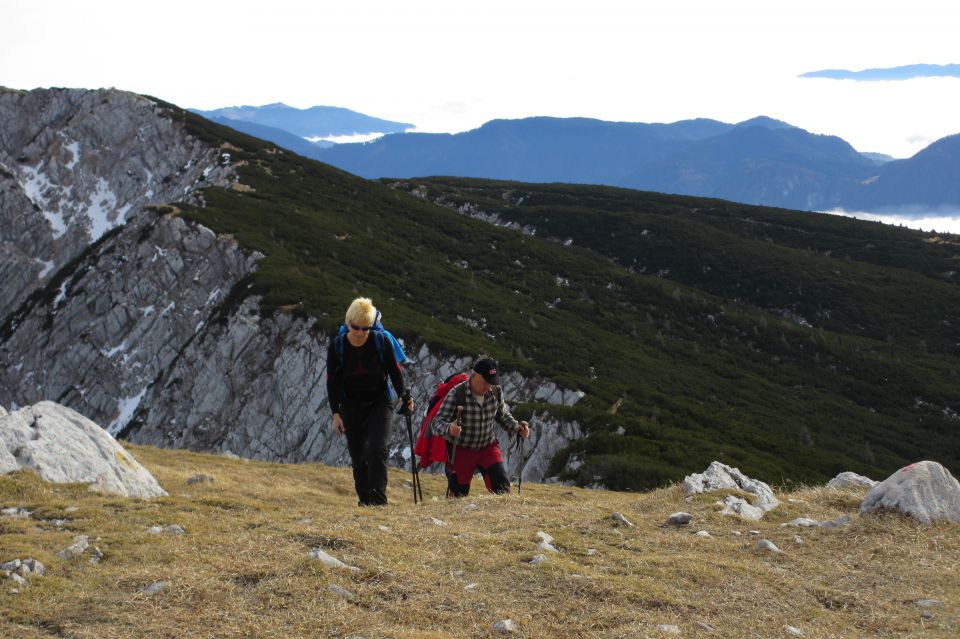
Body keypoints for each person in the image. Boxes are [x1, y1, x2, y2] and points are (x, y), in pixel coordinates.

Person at [327, 297, 414, 506]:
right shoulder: (337, 346)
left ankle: (378, 503)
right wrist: (335, 413)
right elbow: (332, 382)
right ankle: (365, 501)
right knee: (358, 456)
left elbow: (395, 371)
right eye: (355, 327)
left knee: (378, 448)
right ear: (348, 323)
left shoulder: (381, 341)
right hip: (350, 406)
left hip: (380, 402)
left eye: (365, 328)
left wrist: (404, 395)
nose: (359, 332)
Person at [430, 356, 530, 497]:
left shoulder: (495, 391)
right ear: (474, 375)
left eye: (491, 383)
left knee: (503, 490)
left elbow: (502, 414)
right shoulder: (457, 394)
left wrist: (516, 428)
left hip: (487, 447)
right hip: (461, 450)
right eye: (485, 382)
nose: (488, 387)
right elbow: (435, 423)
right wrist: (449, 428)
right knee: (458, 496)